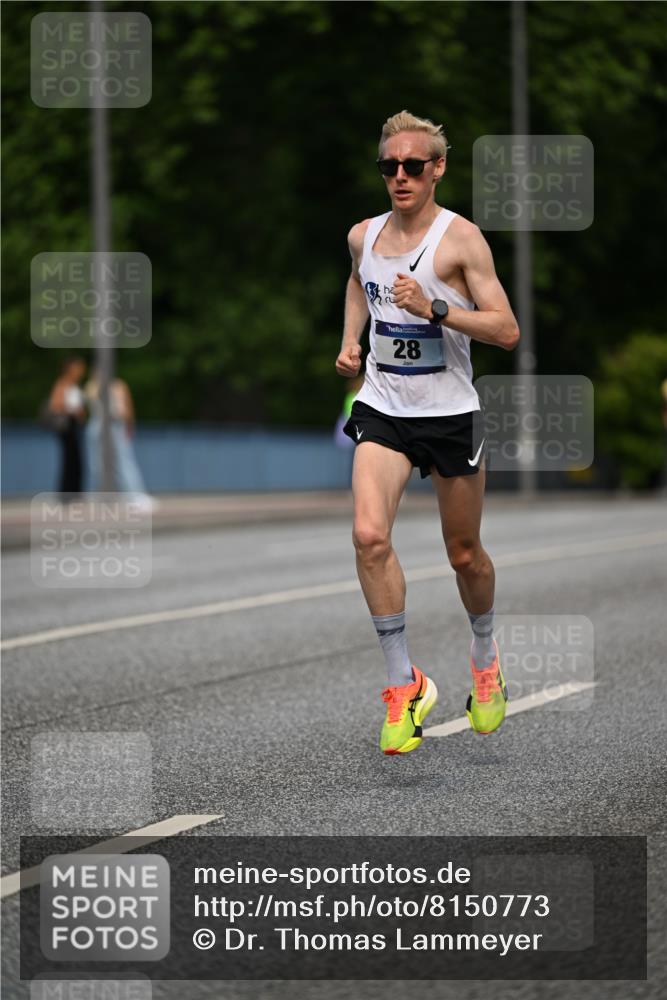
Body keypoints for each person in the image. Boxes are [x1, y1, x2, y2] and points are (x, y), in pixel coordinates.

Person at [335, 111, 520, 755]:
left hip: (448, 413)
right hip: (384, 405)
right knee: (367, 535)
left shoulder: (460, 240)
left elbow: (506, 330)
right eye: (390, 167)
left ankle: (484, 654)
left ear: (438, 168)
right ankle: (402, 683)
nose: (401, 177)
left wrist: (435, 307)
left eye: (414, 166)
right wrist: (351, 341)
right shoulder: (364, 235)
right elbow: (360, 285)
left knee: (464, 552)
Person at [84, 369, 155, 511]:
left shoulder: (118, 385)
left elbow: (127, 407)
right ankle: (103, 495)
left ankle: (135, 495)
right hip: (100, 425)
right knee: (97, 463)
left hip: (116, 425)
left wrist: (129, 424)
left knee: (123, 461)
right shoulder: (93, 386)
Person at [46, 355, 87, 502]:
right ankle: (67, 494)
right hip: (66, 427)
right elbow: (55, 405)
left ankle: (75, 493)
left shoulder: (76, 386)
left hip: (75, 427)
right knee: (69, 461)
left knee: (77, 461)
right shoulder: (62, 384)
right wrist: (73, 411)